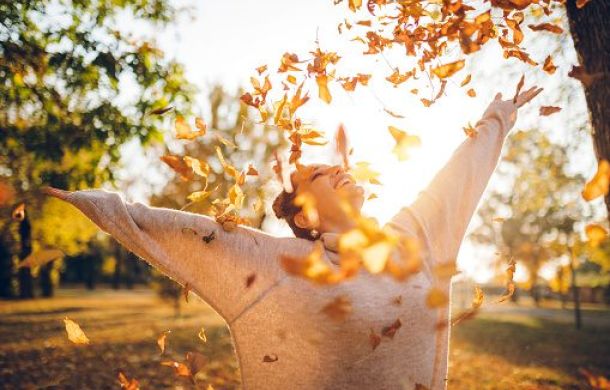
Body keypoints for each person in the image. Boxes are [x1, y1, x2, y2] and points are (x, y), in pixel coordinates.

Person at [45, 86, 542, 389]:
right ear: (304, 217)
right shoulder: (279, 265)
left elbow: (457, 177)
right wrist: (90, 203)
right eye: (323, 173)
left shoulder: (417, 237)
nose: (339, 169)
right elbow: (181, 232)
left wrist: (498, 117)